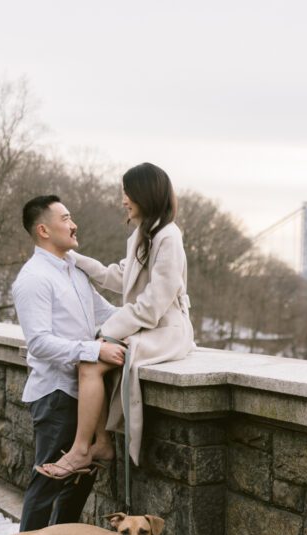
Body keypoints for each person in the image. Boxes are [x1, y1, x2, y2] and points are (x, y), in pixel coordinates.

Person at [35, 163, 194, 477]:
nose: (123, 199)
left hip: (166, 331)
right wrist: (74, 259)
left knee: (92, 360)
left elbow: (154, 304)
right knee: (93, 356)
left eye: (127, 192)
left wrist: (106, 331)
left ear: (144, 194)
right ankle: (101, 443)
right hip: (146, 327)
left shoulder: (168, 236)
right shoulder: (142, 234)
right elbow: (119, 276)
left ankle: (83, 450)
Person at [11, 195, 127, 535]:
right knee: (46, 482)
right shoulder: (33, 279)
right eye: (66, 218)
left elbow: (105, 315)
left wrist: (154, 319)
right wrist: (93, 350)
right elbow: (40, 343)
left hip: (85, 392)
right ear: (44, 229)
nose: (74, 224)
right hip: (57, 393)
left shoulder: (74, 270)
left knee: (79, 481)